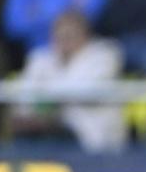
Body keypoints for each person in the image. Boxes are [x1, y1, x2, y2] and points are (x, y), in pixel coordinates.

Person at [14, 9, 126, 151]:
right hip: (46, 131)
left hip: (90, 138)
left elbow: (82, 91)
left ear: (85, 35)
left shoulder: (105, 56)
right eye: (59, 35)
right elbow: (25, 97)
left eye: (69, 35)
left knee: (51, 140)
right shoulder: (41, 58)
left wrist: (46, 96)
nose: (64, 41)